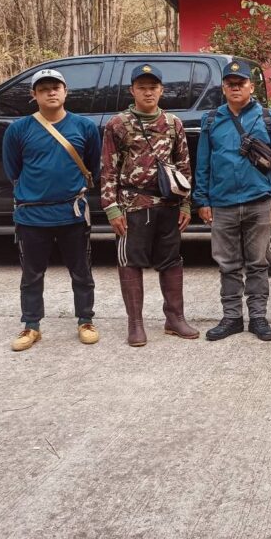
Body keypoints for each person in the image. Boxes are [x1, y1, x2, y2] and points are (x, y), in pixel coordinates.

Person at [2, 68, 102, 351]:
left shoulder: (84, 127)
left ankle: (86, 320)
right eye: (43, 89)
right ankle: (31, 325)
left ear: (65, 91)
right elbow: (13, 170)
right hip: (32, 215)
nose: (51, 92)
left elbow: (93, 168)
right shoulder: (18, 130)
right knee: (31, 275)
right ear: (34, 95)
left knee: (81, 271)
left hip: (72, 213)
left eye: (56, 87)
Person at [100, 63, 198, 347]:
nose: (148, 92)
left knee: (171, 261)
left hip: (168, 204)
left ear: (161, 90)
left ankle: (175, 318)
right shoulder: (118, 124)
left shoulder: (173, 123)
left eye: (153, 87)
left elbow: (184, 166)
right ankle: (135, 324)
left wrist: (185, 205)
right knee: (130, 263)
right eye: (142, 87)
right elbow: (108, 169)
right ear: (132, 91)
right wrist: (111, 207)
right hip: (132, 204)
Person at [194, 60, 271, 343]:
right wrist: (202, 199)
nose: (235, 88)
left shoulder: (267, 118)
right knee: (228, 264)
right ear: (223, 88)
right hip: (222, 203)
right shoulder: (211, 120)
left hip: (258, 200)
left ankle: (258, 317)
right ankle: (232, 317)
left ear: (251, 86)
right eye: (230, 83)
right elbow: (203, 163)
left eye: (241, 83)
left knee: (258, 263)